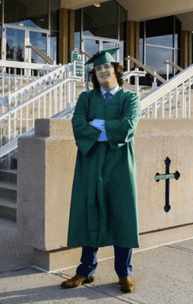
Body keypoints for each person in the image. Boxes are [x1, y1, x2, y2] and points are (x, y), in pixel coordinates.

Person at [62, 47, 140, 293]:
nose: (103, 71)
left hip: (119, 165)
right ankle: (85, 271)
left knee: (122, 216)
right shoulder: (86, 98)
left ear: (116, 70)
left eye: (106, 67)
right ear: (93, 75)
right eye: (97, 69)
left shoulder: (130, 99)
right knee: (89, 213)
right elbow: (77, 125)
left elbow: (128, 126)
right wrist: (103, 129)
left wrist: (96, 126)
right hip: (91, 163)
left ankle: (124, 274)